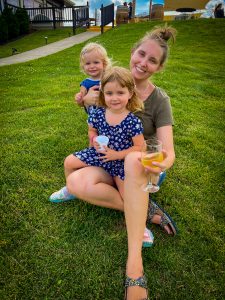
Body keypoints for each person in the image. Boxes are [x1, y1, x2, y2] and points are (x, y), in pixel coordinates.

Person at [51, 25, 177, 299]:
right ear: (132, 52)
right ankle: (143, 209)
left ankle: (135, 268)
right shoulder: (111, 84)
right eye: (141, 54)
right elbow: (89, 105)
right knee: (74, 180)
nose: (143, 63)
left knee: (133, 159)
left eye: (152, 60)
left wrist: (159, 164)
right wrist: (83, 99)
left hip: (141, 167)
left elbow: (168, 153)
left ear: (159, 67)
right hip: (109, 160)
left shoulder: (159, 100)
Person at [75, 42, 111, 115]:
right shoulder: (85, 84)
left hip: (110, 113)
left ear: (104, 64)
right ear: (83, 66)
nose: (92, 66)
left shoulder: (109, 79)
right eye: (88, 63)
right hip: (94, 118)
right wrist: (79, 100)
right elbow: (82, 104)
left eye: (96, 62)